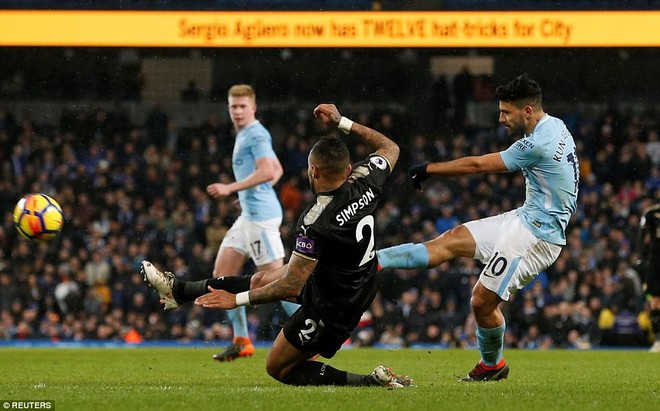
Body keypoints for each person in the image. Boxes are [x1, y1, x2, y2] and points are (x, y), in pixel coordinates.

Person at [142, 103, 412, 387]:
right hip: (354, 282)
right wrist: (342, 121)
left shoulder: (315, 220)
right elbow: (390, 147)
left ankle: (370, 382)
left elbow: (290, 288)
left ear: (314, 172)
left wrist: (236, 300)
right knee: (259, 278)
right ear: (347, 168)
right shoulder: (366, 182)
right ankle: (178, 291)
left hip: (333, 304)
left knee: (279, 368)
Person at [377, 74, 579, 381]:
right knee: (453, 238)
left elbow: (477, 166)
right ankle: (375, 261)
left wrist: (429, 169)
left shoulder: (537, 143)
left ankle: (492, 365)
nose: (500, 119)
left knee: (481, 302)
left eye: (505, 112)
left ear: (527, 111)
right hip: (524, 218)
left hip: (537, 236)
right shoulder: (556, 125)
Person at [204, 84, 299, 361]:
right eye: (233, 106)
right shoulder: (247, 133)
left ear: (253, 107)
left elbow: (268, 170)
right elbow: (277, 170)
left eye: (242, 106)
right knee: (221, 276)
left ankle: (314, 335)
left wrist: (231, 188)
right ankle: (242, 339)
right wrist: (249, 192)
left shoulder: (256, 134)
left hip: (261, 219)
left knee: (279, 285)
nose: (237, 111)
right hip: (249, 215)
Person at [638, 196, 660, 352]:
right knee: (654, 301)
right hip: (656, 260)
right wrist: (643, 257)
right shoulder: (651, 212)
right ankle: (658, 340)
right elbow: (642, 236)